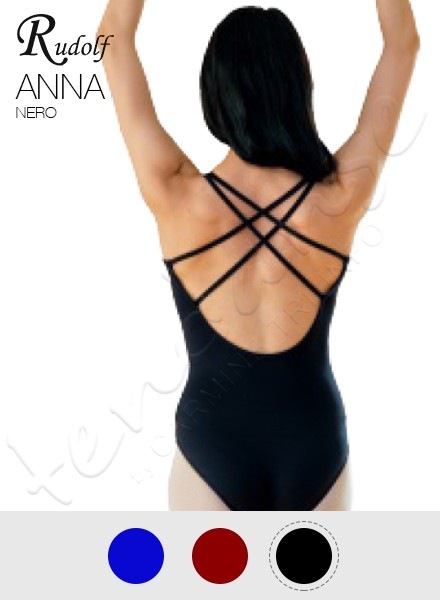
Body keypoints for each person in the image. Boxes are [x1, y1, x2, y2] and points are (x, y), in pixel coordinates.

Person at [96, 1, 420, 510]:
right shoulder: (339, 196)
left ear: (214, 92)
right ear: (298, 87)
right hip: (314, 439)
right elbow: (403, 44)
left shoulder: (176, 193)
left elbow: (112, 39)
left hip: (214, 442)